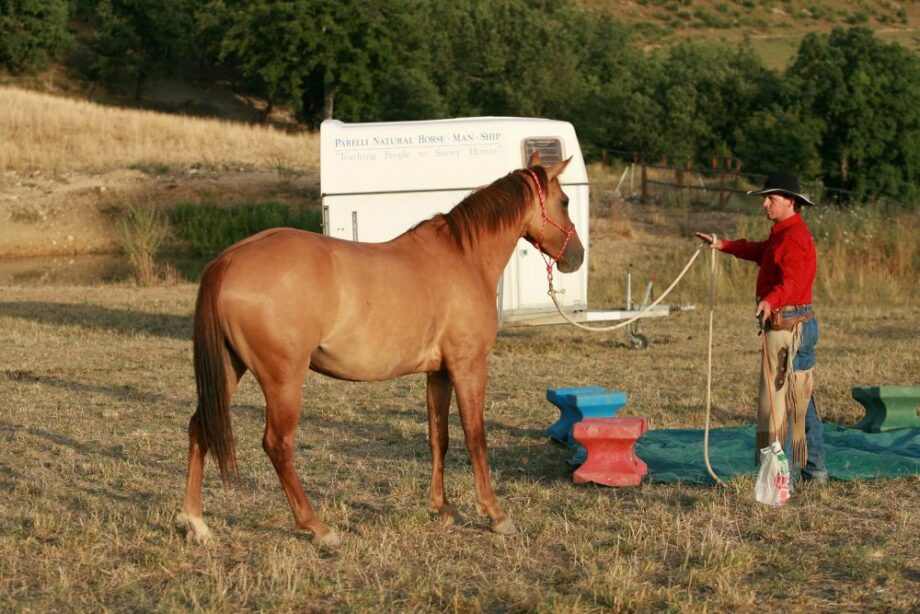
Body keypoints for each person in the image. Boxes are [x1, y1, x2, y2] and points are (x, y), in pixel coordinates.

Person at [695, 172, 828, 483]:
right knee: (797, 402)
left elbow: (792, 281)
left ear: (791, 202)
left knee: (788, 403)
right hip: (790, 324)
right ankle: (810, 471)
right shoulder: (782, 233)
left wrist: (771, 299)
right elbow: (757, 251)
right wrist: (722, 244)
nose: (765, 203)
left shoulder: (794, 237)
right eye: (765, 198)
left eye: (772, 198)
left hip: (790, 327)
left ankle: (796, 474)